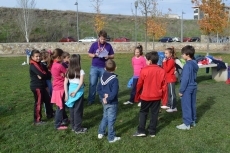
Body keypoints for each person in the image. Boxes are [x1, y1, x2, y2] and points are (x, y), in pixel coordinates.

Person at [133, 51, 167, 137]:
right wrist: (164, 100)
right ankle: (152, 131)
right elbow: (164, 87)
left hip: (146, 96)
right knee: (154, 113)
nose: (145, 62)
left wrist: (137, 96)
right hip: (157, 96)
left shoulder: (144, 70)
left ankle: (141, 130)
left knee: (143, 112)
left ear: (150, 61)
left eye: (146, 60)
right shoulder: (162, 71)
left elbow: (139, 84)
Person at [88, 30, 115, 105]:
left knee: (103, 84)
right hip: (94, 67)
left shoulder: (108, 46)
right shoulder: (94, 45)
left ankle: (102, 98)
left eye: (104, 39)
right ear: (99, 37)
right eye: (101, 39)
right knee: (92, 83)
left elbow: (113, 56)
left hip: (104, 67)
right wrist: (93, 55)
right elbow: (89, 54)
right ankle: (91, 99)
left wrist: (108, 56)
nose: (103, 40)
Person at [97, 59, 120, 143]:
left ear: (105, 68)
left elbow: (98, 89)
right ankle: (111, 137)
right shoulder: (114, 80)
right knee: (111, 119)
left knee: (105, 116)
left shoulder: (102, 76)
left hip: (104, 101)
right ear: (115, 68)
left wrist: (103, 96)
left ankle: (101, 132)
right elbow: (114, 94)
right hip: (112, 102)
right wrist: (107, 98)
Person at [64, 54, 87, 134]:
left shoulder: (68, 71)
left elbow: (65, 83)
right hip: (78, 93)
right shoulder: (81, 71)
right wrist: (76, 92)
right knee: (78, 111)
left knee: (72, 110)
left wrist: (66, 94)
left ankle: (73, 127)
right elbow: (80, 83)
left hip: (70, 92)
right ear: (78, 62)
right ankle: (78, 128)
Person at [177, 45, 198, 130]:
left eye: (183, 54)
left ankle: (187, 123)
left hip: (187, 88)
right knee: (192, 104)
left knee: (186, 105)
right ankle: (193, 121)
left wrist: (181, 90)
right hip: (194, 86)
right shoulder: (194, 63)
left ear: (187, 55)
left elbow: (185, 79)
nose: (182, 55)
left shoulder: (187, 65)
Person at [29, 49, 53, 125]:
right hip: (37, 86)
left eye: (39, 56)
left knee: (48, 100)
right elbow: (43, 74)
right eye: (36, 56)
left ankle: (50, 114)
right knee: (38, 103)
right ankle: (37, 120)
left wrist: (43, 75)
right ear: (32, 57)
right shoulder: (33, 65)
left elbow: (48, 74)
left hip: (42, 85)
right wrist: (43, 74)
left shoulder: (40, 64)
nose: (38, 58)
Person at [50, 48, 69, 130]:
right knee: (60, 107)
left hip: (56, 87)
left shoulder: (53, 64)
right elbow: (67, 73)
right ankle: (58, 124)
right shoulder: (59, 66)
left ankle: (64, 119)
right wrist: (64, 74)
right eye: (62, 57)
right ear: (58, 57)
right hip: (60, 88)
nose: (63, 58)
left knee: (61, 105)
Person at [162, 47, 177, 112]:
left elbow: (166, 69)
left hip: (171, 79)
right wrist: (164, 63)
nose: (165, 55)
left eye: (166, 53)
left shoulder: (171, 61)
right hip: (167, 79)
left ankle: (173, 107)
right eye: (165, 53)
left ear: (171, 54)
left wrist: (164, 62)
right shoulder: (167, 60)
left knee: (172, 93)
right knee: (168, 93)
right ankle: (169, 104)